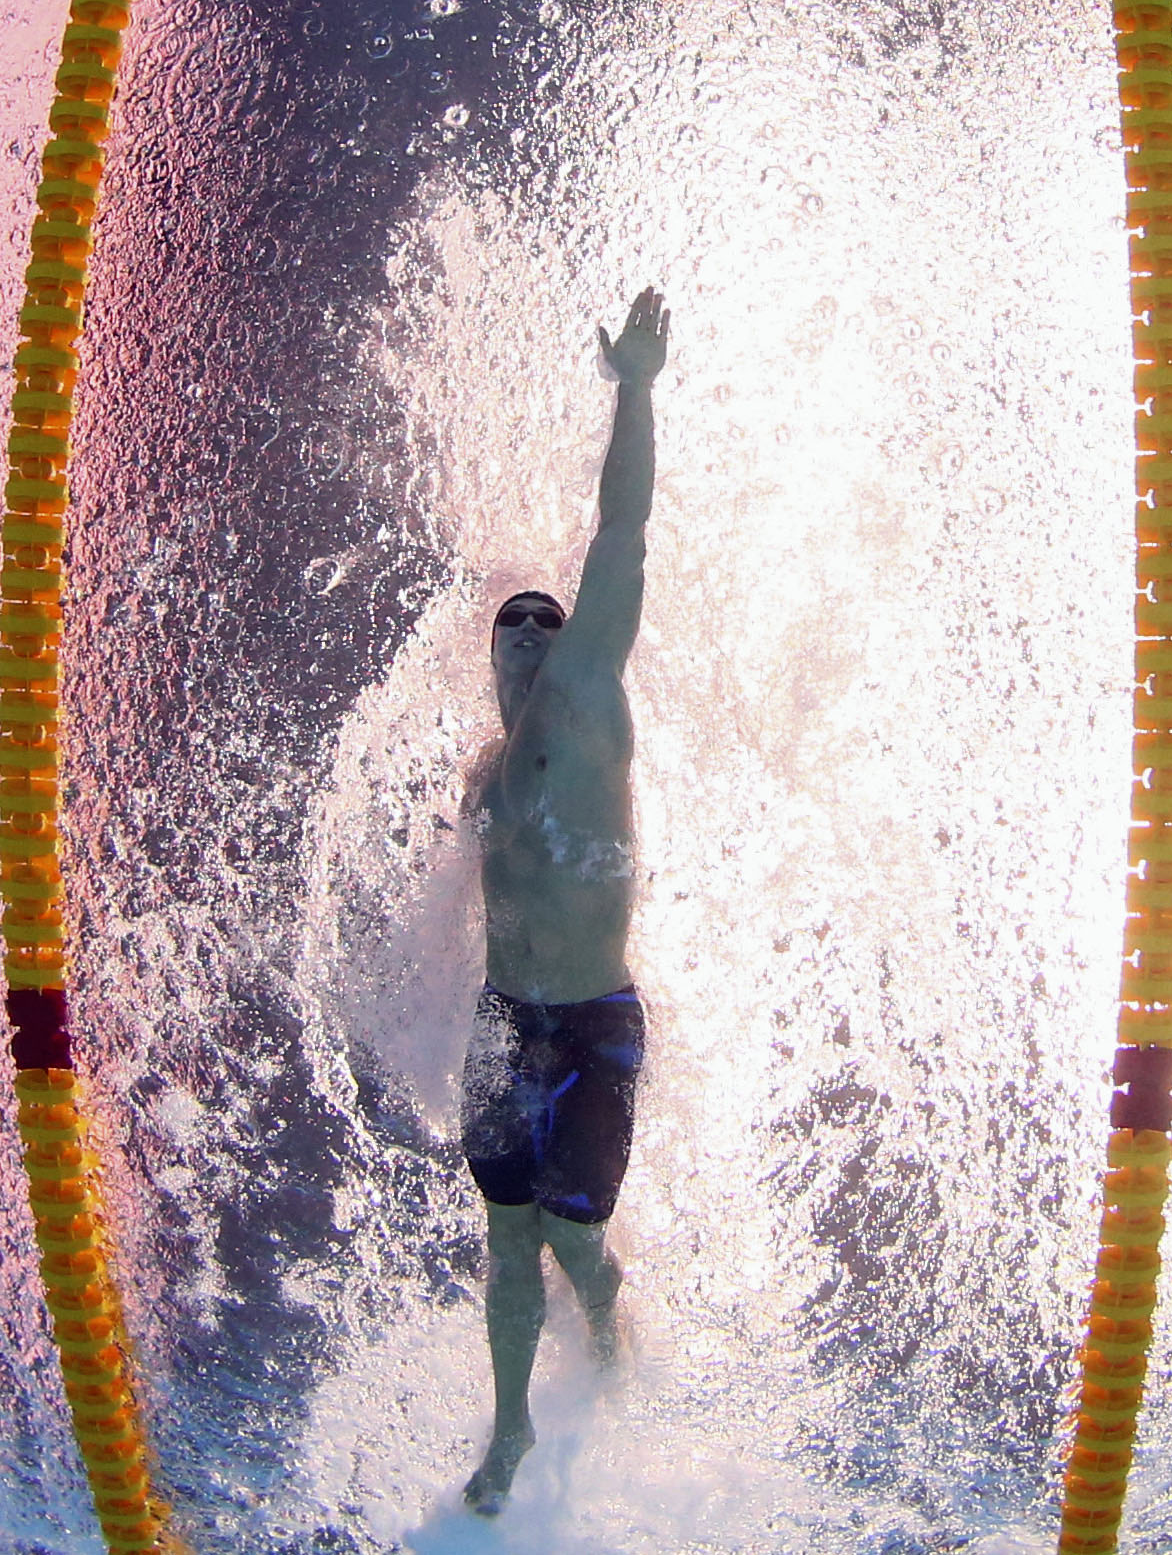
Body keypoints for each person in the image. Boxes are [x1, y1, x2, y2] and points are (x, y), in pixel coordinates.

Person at [457, 288, 667, 1514]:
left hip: (588, 1021)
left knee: (571, 1240)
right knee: (502, 1240)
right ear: (490, 658)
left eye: (547, 619)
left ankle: (612, 1345)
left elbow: (622, 539)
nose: (534, 631)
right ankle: (510, 1429)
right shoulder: (481, 774)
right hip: (501, 1021)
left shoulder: (586, 695)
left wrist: (633, 386)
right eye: (512, 626)